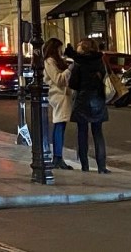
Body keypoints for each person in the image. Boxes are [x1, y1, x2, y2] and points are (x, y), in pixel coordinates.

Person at [68, 37, 110, 174]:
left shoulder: (79, 63)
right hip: (97, 98)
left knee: (82, 132)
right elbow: (104, 76)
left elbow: (73, 83)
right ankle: (101, 167)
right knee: (98, 133)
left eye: (79, 45)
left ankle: (85, 166)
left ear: (83, 48)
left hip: (83, 99)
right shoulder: (99, 60)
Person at [43, 37, 73, 170]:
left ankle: (58, 157)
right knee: (59, 125)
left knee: (60, 124)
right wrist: (69, 70)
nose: (61, 51)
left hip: (62, 95)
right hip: (58, 95)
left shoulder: (54, 61)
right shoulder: (50, 61)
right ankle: (58, 157)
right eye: (59, 48)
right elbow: (58, 79)